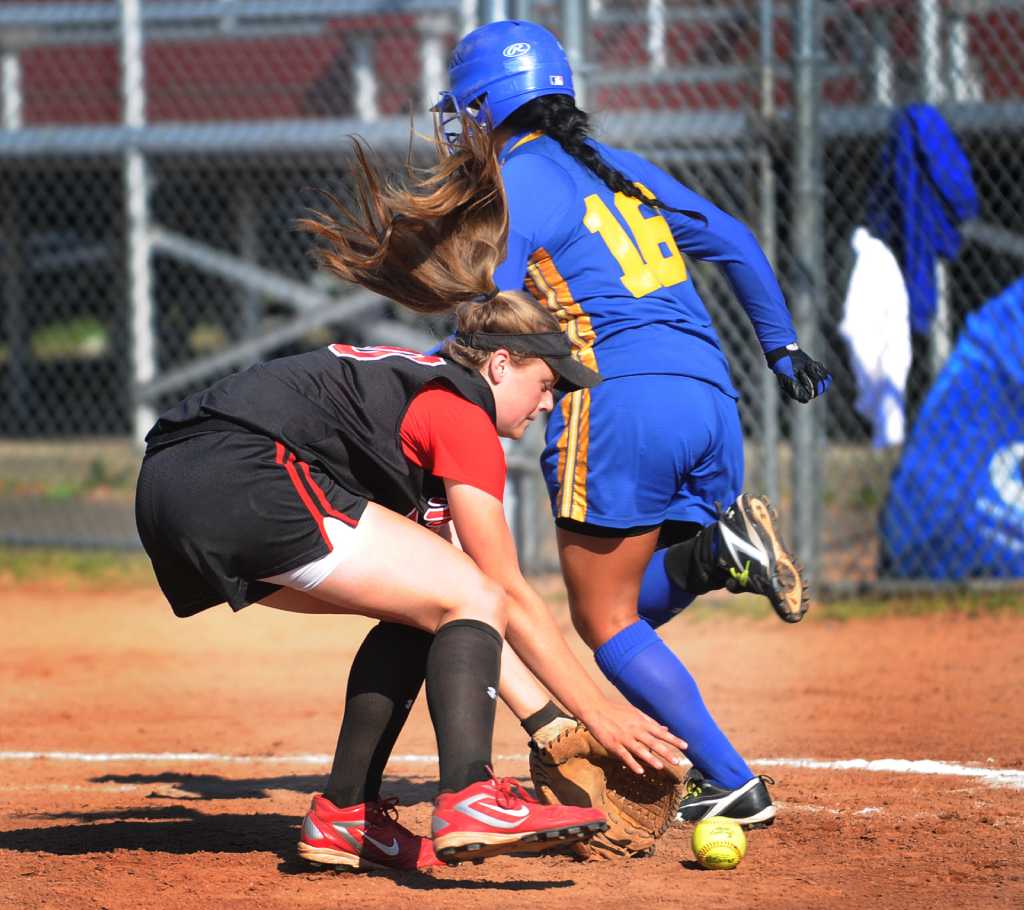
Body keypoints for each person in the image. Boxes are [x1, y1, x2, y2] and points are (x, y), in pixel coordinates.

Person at [134, 115, 684, 872]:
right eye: (546, 384)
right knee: (470, 589)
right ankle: (470, 795)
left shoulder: (419, 406)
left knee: (427, 611)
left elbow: (465, 612)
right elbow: (504, 592)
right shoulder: (458, 409)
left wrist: (550, 726)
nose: (550, 405)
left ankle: (342, 815)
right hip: (241, 469)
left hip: (177, 485)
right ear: (498, 365)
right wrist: (599, 714)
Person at [434, 20, 833, 829]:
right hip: (711, 395)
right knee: (627, 603)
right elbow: (737, 241)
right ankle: (713, 556)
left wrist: (432, 385)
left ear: (485, 108)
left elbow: (495, 312)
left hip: (618, 399)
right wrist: (782, 346)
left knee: (601, 619)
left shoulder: (519, 182)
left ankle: (729, 780)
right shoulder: (617, 169)